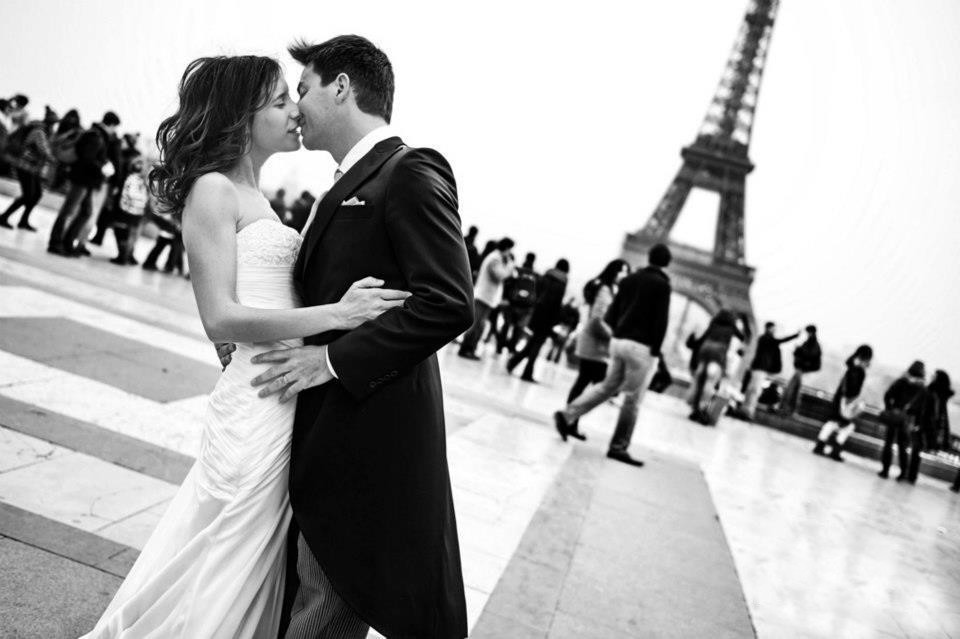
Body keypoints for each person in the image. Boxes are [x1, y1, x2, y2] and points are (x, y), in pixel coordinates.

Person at [80, 54, 414, 639]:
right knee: (230, 543)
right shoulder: (213, 190)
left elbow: (266, 297)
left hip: (284, 394)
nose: (294, 110)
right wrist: (338, 313)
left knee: (251, 547)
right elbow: (220, 317)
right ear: (243, 115)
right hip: (256, 400)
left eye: (293, 96)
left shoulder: (255, 195)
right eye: (281, 100)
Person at [239, 37, 472, 637]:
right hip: (324, 427)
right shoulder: (346, 181)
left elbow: (448, 302)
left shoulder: (410, 170)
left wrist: (333, 361)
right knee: (312, 589)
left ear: (341, 86)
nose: (297, 105)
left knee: (328, 597)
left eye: (304, 88)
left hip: (369, 429)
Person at [553, 244, 672, 467]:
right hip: (641, 346)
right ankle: (618, 447)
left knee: (607, 386)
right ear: (666, 263)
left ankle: (567, 414)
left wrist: (618, 334)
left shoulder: (628, 280)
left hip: (618, 342)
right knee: (633, 399)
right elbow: (661, 320)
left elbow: (611, 313)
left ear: (649, 257)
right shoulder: (662, 285)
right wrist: (655, 351)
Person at [564, 259, 630, 440]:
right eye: (623, 271)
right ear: (614, 271)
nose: (624, 275)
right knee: (598, 383)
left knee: (584, 381)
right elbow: (597, 320)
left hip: (594, 343)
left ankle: (569, 420)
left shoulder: (607, 289)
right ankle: (568, 418)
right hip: (594, 343)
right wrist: (612, 336)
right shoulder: (605, 290)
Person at [47, 111, 120, 256]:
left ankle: (68, 242)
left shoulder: (98, 135)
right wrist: (102, 168)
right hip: (82, 179)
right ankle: (55, 243)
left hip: (88, 181)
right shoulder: (96, 136)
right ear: (111, 125)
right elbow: (87, 158)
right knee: (68, 211)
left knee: (85, 213)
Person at [506, 258, 569, 382]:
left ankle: (514, 362)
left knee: (533, 342)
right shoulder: (562, 282)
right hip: (548, 316)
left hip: (537, 313)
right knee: (537, 344)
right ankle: (526, 371)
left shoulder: (546, 275)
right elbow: (557, 303)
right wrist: (556, 320)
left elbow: (537, 293)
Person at [812, 344, 873, 462]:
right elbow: (854, 389)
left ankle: (821, 446)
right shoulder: (858, 370)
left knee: (833, 423)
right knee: (847, 426)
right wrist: (852, 403)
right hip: (846, 402)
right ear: (865, 358)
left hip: (840, 400)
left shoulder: (851, 366)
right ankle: (835, 450)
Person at [458, 236, 515, 359]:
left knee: (480, 325)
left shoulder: (497, 258)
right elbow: (499, 276)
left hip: (487, 298)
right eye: (510, 249)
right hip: (483, 297)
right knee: (476, 325)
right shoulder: (495, 259)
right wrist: (510, 268)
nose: (510, 253)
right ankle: (465, 349)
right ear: (506, 248)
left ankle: (471, 349)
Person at [688, 309, 745, 424]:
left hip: (705, 350)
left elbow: (703, 338)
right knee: (710, 382)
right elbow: (742, 337)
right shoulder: (731, 327)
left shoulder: (714, 323)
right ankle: (702, 407)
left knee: (700, 380)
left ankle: (695, 407)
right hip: (718, 352)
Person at [0, 112, 55, 231]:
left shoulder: (43, 132)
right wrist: (55, 159)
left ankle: (23, 220)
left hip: (32, 169)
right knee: (28, 195)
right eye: (53, 124)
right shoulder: (39, 132)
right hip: (25, 167)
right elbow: (44, 150)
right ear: (49, 123)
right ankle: (4, 216)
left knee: (36, 194)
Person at [739, 322, 799, 420]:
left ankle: (745, 408)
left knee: (751, 389)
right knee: (755, 390)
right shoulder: (768, 339)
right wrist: (795, 335)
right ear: (768, 328)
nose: (774, 330)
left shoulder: (761, 339)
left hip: (756, 367)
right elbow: (781, 340)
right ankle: (748, 411)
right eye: (773, 328)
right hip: (760, 368)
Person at [877, 361, 927, 480]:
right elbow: (921, 409)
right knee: (902, 446)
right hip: (907, 420)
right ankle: (903, 473)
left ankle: (885, 470)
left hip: (894, 415)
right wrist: (917, 422)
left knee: (888, 444)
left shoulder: (901, 382)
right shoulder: (922, 389)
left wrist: (891, 409)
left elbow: (887, 395)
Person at [907, 370, 952, 484]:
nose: (931, 377)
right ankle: (911, 475)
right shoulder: (941, 396)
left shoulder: (928, 392)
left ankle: (911, 475)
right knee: (917, 450)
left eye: (934, 376)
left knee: (916, 450)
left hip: (922, 425)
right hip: (930, 428)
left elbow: (915, 407)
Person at [109, 155, 149, 265]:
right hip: (137, 211)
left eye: (140, 163)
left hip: (126, 210)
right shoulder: (144, 180)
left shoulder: (127, 178)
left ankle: (123, 256)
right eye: (138, 162)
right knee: (130, 235)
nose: (139, 165)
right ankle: (127, 256)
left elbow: (120, 194)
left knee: (122, 233)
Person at [496, 251, 538, 353]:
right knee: (518, 328)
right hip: (526, 306)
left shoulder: (517, 270)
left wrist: (505, 297)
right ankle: (511, 347)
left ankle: (500, 346)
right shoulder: (535, 275)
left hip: (512, 303)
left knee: (506, 324)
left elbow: (508, 283)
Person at [779, 324, 822, 416]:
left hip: (803, 371)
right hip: (801, 370)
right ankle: (787, 409)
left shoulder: (813, 345)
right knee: (792, 390)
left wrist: (799, 352)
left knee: (793, 391)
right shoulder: (809, 343)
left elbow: (809, 357)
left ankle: (789, 409)